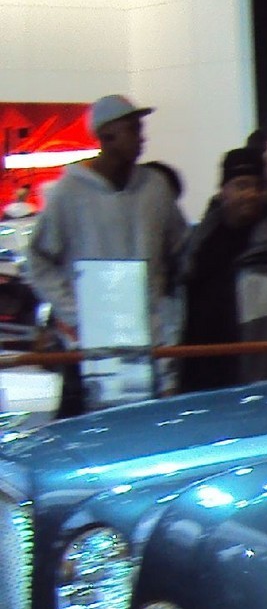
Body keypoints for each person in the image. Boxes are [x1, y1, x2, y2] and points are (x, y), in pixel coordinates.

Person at [24, 94, 186, 417]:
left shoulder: (155, 189)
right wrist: (76, 310)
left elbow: (179, 251)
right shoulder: (68, 194)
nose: (142, 138)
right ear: (107, 135)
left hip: (149, 340)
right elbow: (38, 259)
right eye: (133, 129)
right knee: (96, 428)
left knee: (144, 428)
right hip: (93, 345)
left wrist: (169, 310)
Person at [178, 148, 267, 394]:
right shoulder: (198, 243)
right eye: (241, 185)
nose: (250, 194)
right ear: (223, 190)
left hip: (254, 380)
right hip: (198, 378)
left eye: (258, 186)